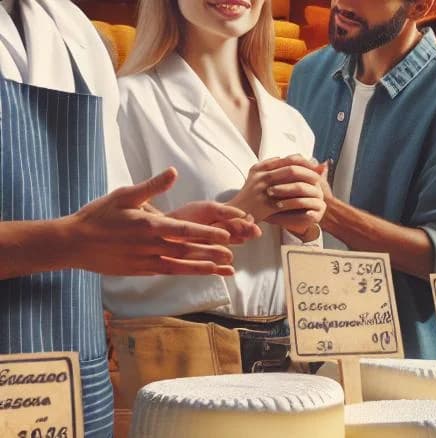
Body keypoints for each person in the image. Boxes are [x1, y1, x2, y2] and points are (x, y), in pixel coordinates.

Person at [0, 0, 260, 435]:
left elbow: (105, 203)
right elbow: (80, 235)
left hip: (70, 390)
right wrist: (69, 242)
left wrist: (171, 231)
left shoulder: (75, 34)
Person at [103, 0, 328, 425]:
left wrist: (308, 231)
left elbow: (303, 282)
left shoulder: (291, 122)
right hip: (180, 366)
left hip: (290, 370)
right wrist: (241, 211)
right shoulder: (126, 103)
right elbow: (108, 269)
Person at [287, 0, 436, 359]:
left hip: (399, 370)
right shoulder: (307, 76)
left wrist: (331, 213)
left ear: (419, 6)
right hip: (304, 353)